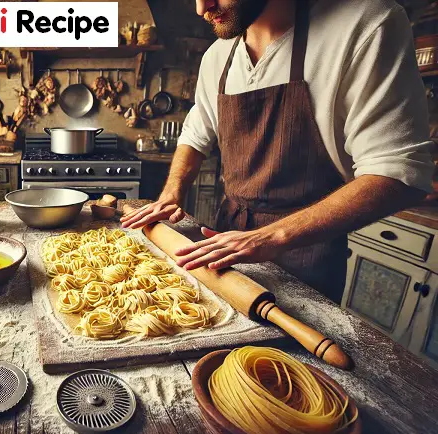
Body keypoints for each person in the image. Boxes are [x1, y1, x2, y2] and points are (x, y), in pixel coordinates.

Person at [121, 0, 435, 303]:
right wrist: (171, 194)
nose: (202, 8)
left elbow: (398, 173)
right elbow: (196, 132)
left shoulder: (365, 26)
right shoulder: (217, 56)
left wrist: (269, 238)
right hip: (226, 238)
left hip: (308, 257)